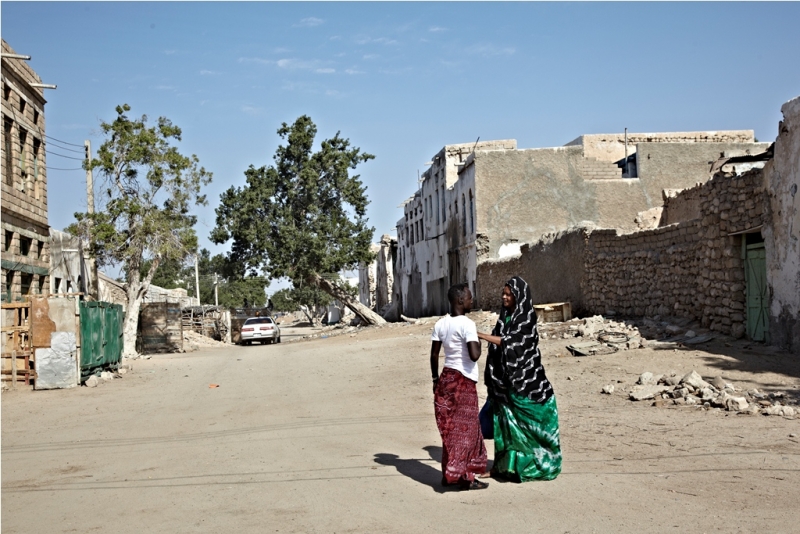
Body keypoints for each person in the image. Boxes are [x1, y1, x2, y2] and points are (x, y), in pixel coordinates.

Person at [476, 276, 562, 482]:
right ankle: (502, 467)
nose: (505, 297)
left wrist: (481, 335)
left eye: (509, 294)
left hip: (528, 381)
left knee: (531, 426)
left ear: (518, 296)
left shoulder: (526, 317)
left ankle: (537, 464)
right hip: (505, 384)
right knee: (504, 427)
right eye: (503, 294)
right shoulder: (505, 316)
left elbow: (513, 344)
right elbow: (500, 342)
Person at [430, 283, 489, 490]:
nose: (472, 301)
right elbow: (474, 356)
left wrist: (435, 380)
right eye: (470, 298)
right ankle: (466, 478)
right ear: (461, 300)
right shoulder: (467, 324)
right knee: (467, 431)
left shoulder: (440, 324)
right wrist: (480, 344)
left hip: (446, 379)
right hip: (464, 381)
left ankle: (449, 475)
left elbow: (435, 354)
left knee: (451, 431)